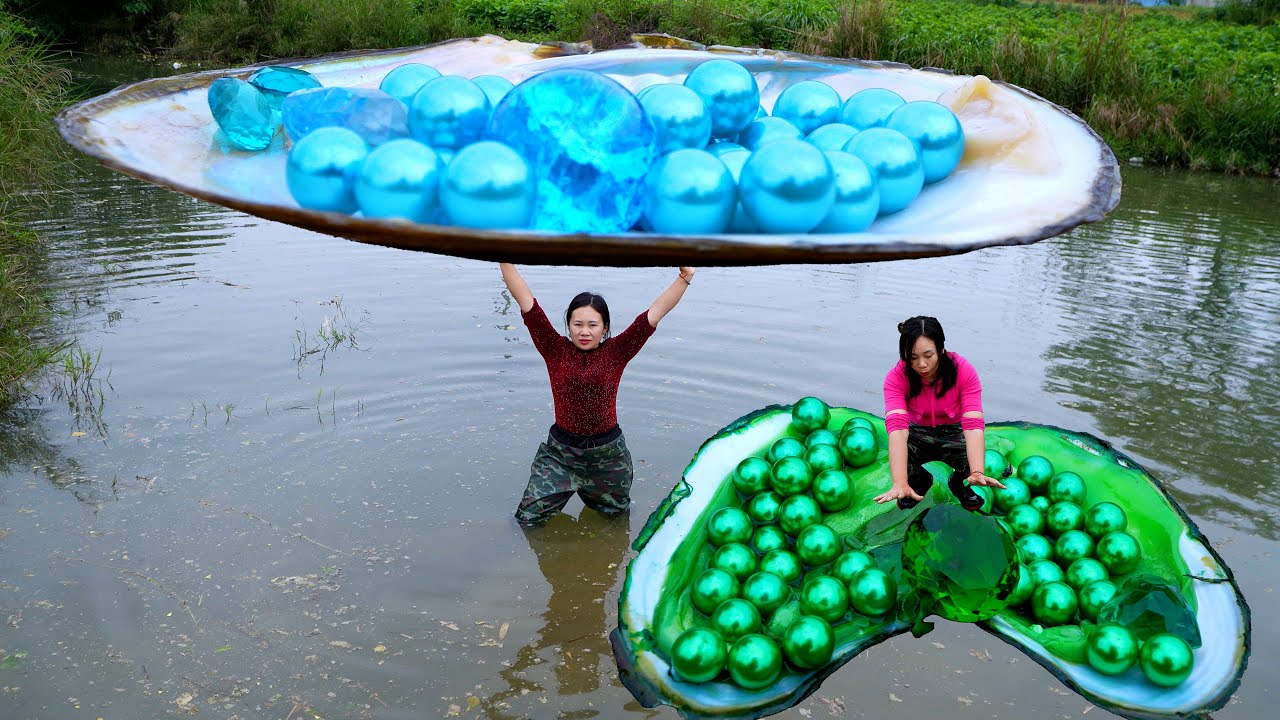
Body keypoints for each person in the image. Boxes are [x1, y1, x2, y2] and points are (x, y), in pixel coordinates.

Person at [500, 263, 695, 526]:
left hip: (608, 458)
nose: (584, 331)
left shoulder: (617, 351)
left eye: (593, 325)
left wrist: (685, 278)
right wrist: (502, 257)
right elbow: (526, 302)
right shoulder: (553, 347)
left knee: (614, 520)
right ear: (568, 325)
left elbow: (654, 314)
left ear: (604, 328)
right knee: (527, 520)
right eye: (577, 324)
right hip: (560, 456)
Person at [873, 316, 1005, 510]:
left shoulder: (964, 371)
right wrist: (899, 482)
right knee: (899, 455)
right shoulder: (896, 377)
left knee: (976, 455)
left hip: (954, 430)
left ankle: (959, 483)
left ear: (941, 349)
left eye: (928, 355)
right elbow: (898, 429)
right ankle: (919, 480)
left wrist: (977, 470)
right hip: (917, 432)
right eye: (913, 357)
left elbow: (973, 425)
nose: (922, 364)